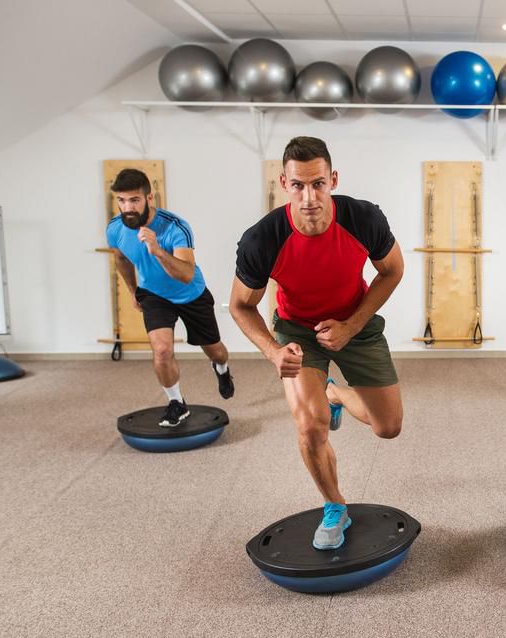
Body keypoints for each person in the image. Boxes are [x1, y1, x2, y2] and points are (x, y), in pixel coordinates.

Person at [230, 136, 404, 551]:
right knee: (310, 426)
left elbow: (393, 271)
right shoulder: (262, 239)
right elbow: (240, 305)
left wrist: (351, 324)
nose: (309, 197)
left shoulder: (363, 219)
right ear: (283, 183)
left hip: (355, 323)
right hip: (297, 331)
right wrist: (273, 350)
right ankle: (334, 505)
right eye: (298, 186)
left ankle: (335, 394)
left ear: (333, 180)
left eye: (318, 184)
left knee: (389, 427)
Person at [106, 169, 234, 427]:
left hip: (190, 294)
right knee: (162, 350)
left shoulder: (175, 227)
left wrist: (156, 250)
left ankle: (221, 369)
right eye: (121, 200)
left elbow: (186, 274)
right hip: (153, 294)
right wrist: (133, 291)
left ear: (148, 198)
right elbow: (120, 258)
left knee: (216, 351)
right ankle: (177, 403)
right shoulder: (115, 229)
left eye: (134, 200)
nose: (127, 207)